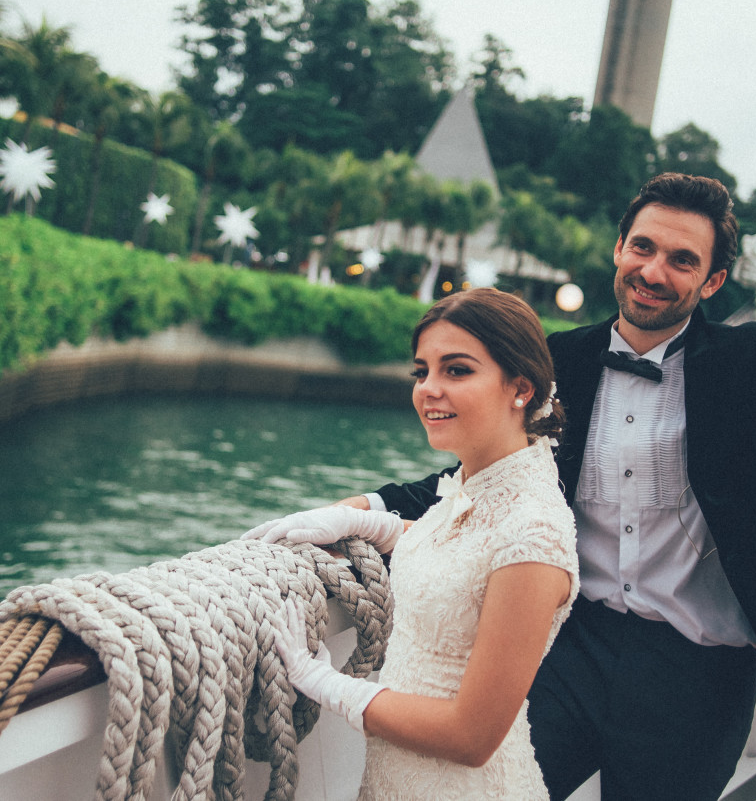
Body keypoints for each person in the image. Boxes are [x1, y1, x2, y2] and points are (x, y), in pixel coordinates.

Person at [263, 173, 756, 800]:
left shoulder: (749, 363)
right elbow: (479, 474)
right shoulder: (561, 359)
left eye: (681, 259)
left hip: (697, 674)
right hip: (567, 650)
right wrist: (360, 508)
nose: (653, 271)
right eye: (642, 247)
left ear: (713, 280)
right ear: (618, 249)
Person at [247, 287, 580, 800]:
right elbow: (459, 550)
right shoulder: (485, 485)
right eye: (421, 371)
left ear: (520, 388)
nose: (429, 389)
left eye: (457, 370)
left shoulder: (535, 534)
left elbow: (470, 738)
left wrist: (320, 679)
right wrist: (355, 523)